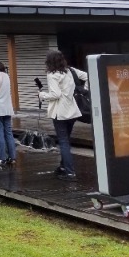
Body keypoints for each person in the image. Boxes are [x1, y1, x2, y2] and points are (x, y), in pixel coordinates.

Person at [39, 50, 85, 181]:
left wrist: (42, 95)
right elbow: (87, 76)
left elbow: (55, 95)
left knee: (64, 142)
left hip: (60, 112)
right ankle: (63, 167)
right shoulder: (69, 70)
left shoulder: (52, 74)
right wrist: (83, 89)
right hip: (73, 110)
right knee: (65, 139)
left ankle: (70, 172)